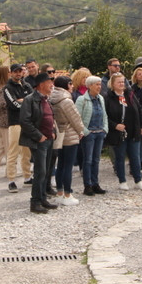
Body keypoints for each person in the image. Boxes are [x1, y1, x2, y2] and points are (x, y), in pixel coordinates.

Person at [18, 72, 58, 213]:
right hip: (39, 141)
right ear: (41, 85)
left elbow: (50, 118)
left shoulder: (46, 99)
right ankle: (35, 202)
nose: (52, 85)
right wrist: (39, 136)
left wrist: (53, 131)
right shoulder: (30, 100)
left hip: (48, 139)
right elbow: (25, 121)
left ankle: (42, 199)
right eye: (49, 82)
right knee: (40, 172)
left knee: (46, 171)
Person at [104, 72, 142, 192]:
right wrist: (115, 125)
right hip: (118, 133)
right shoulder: (108, 98)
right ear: (112, 84)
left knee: (135, 157)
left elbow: (139, 110)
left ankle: (138, 180)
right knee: (120, 157)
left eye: (123, 82)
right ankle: (122, 181)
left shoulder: (130, 94)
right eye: (119, 82)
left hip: (133, 131)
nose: (121, 84)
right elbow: (105, 116)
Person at [49, 75, 85, 205]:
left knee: (60, 164)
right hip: (69, 134)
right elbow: (75, 118)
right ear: (66, 85)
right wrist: (81, 131)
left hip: (59, 134)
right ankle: (68, 194)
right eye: (71, 84)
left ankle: (59, 193)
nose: (73, 86)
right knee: (68, 166)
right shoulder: (66, 100)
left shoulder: (52, 98)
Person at [75, 75, 108, 197]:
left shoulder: (101, 98)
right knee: (87, 160)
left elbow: (104, 114)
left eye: (100, 84)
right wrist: (85, 131)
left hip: (99, 132)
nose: (99, 87)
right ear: (89, 86)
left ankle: (95, 183)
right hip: (89, 133)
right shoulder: (81, 100)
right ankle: (87, 185)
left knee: (96, 160)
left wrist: (105, 129)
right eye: (97, 84)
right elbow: (77, 117)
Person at [4, 63, 33, 193]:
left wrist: (23, 101)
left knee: (27, 152)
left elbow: (35, 101)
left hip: (27, 123)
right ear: (11, 73)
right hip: (15, 123)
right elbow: (13, 104)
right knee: (13, 152)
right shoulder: (7, 88)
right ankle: (11, 180)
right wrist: (25, 103)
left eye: (20, 71)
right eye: (15, 71)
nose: (18, 73)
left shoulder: (27, 86)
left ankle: (27, 177)